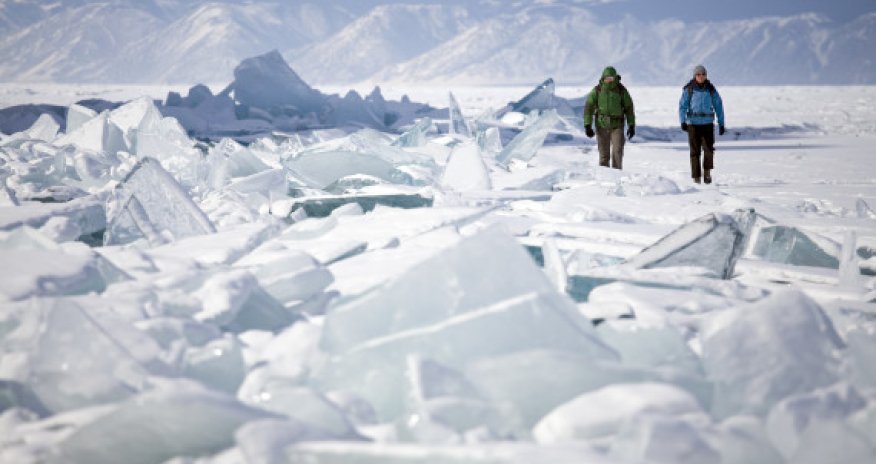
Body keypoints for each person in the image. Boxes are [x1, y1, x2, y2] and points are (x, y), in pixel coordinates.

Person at [679, 64, 725, 184]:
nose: (701, 76)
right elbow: (682, 106)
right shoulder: (688, 89)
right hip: (693, 124)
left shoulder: (711, 89)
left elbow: (719, 105)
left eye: (703, 74)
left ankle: (707, 172)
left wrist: (721, 123)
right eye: (698, 74)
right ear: (695, 76)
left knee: (709, 149)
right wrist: (682, 121)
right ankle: (696, 178)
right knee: (695, 152)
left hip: (707, 124)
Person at [583, 66, 635, 170]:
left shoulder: (621, 90)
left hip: (617, 126)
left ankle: (617, 176)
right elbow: (588, 107)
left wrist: (631, 125)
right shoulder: (597, 90)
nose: (609, 80)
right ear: (603, 78)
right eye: (607, 78)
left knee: (617, 152)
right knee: (604, 155)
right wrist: (587, 125)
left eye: (611, 78)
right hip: (601, 125)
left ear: (615, 78)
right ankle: (604, 180)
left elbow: (629, 108)